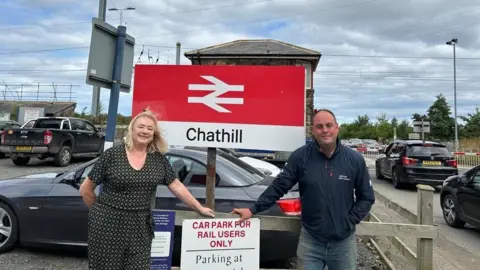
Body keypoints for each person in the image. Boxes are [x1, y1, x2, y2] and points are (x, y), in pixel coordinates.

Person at [231, 109, 375, 270]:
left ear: (337, 128)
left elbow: (367, 197)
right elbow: (279, 186)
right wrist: (253, 210)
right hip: (311, 241)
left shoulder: (354, 160)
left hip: (343, 243)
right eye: (319, 126)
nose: (325, 130)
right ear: (313, 130)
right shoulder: (301, 157)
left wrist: (349, 221)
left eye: (329, 125)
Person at [79, 109, 215, 270]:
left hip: (140, 227)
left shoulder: (158, 159)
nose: (145, 131)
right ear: (132, 129)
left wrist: (198, 207)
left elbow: (176, 185)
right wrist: (99, 214)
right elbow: (86, 189)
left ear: (154, 134)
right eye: (141, 127)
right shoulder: (112, 155)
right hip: (108, 225)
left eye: (150, 129)